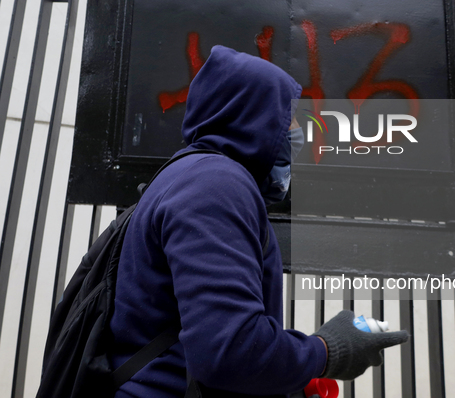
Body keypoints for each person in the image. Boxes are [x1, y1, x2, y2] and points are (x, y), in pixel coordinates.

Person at [109, 45, 408, 398]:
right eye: (289, 117)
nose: (297, 131)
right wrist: (326, 352)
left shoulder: (188, 176)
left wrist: (292, 379)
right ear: (251, 114)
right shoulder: (215, 186)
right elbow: (230, 353)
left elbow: (203, 336)